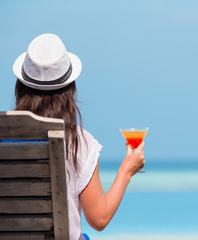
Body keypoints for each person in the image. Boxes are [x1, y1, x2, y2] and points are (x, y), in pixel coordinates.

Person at [12, 33, 145, 240]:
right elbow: (99, 220)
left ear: (20, 87)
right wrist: (127, 170)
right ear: (70, 90)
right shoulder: (79, 142)